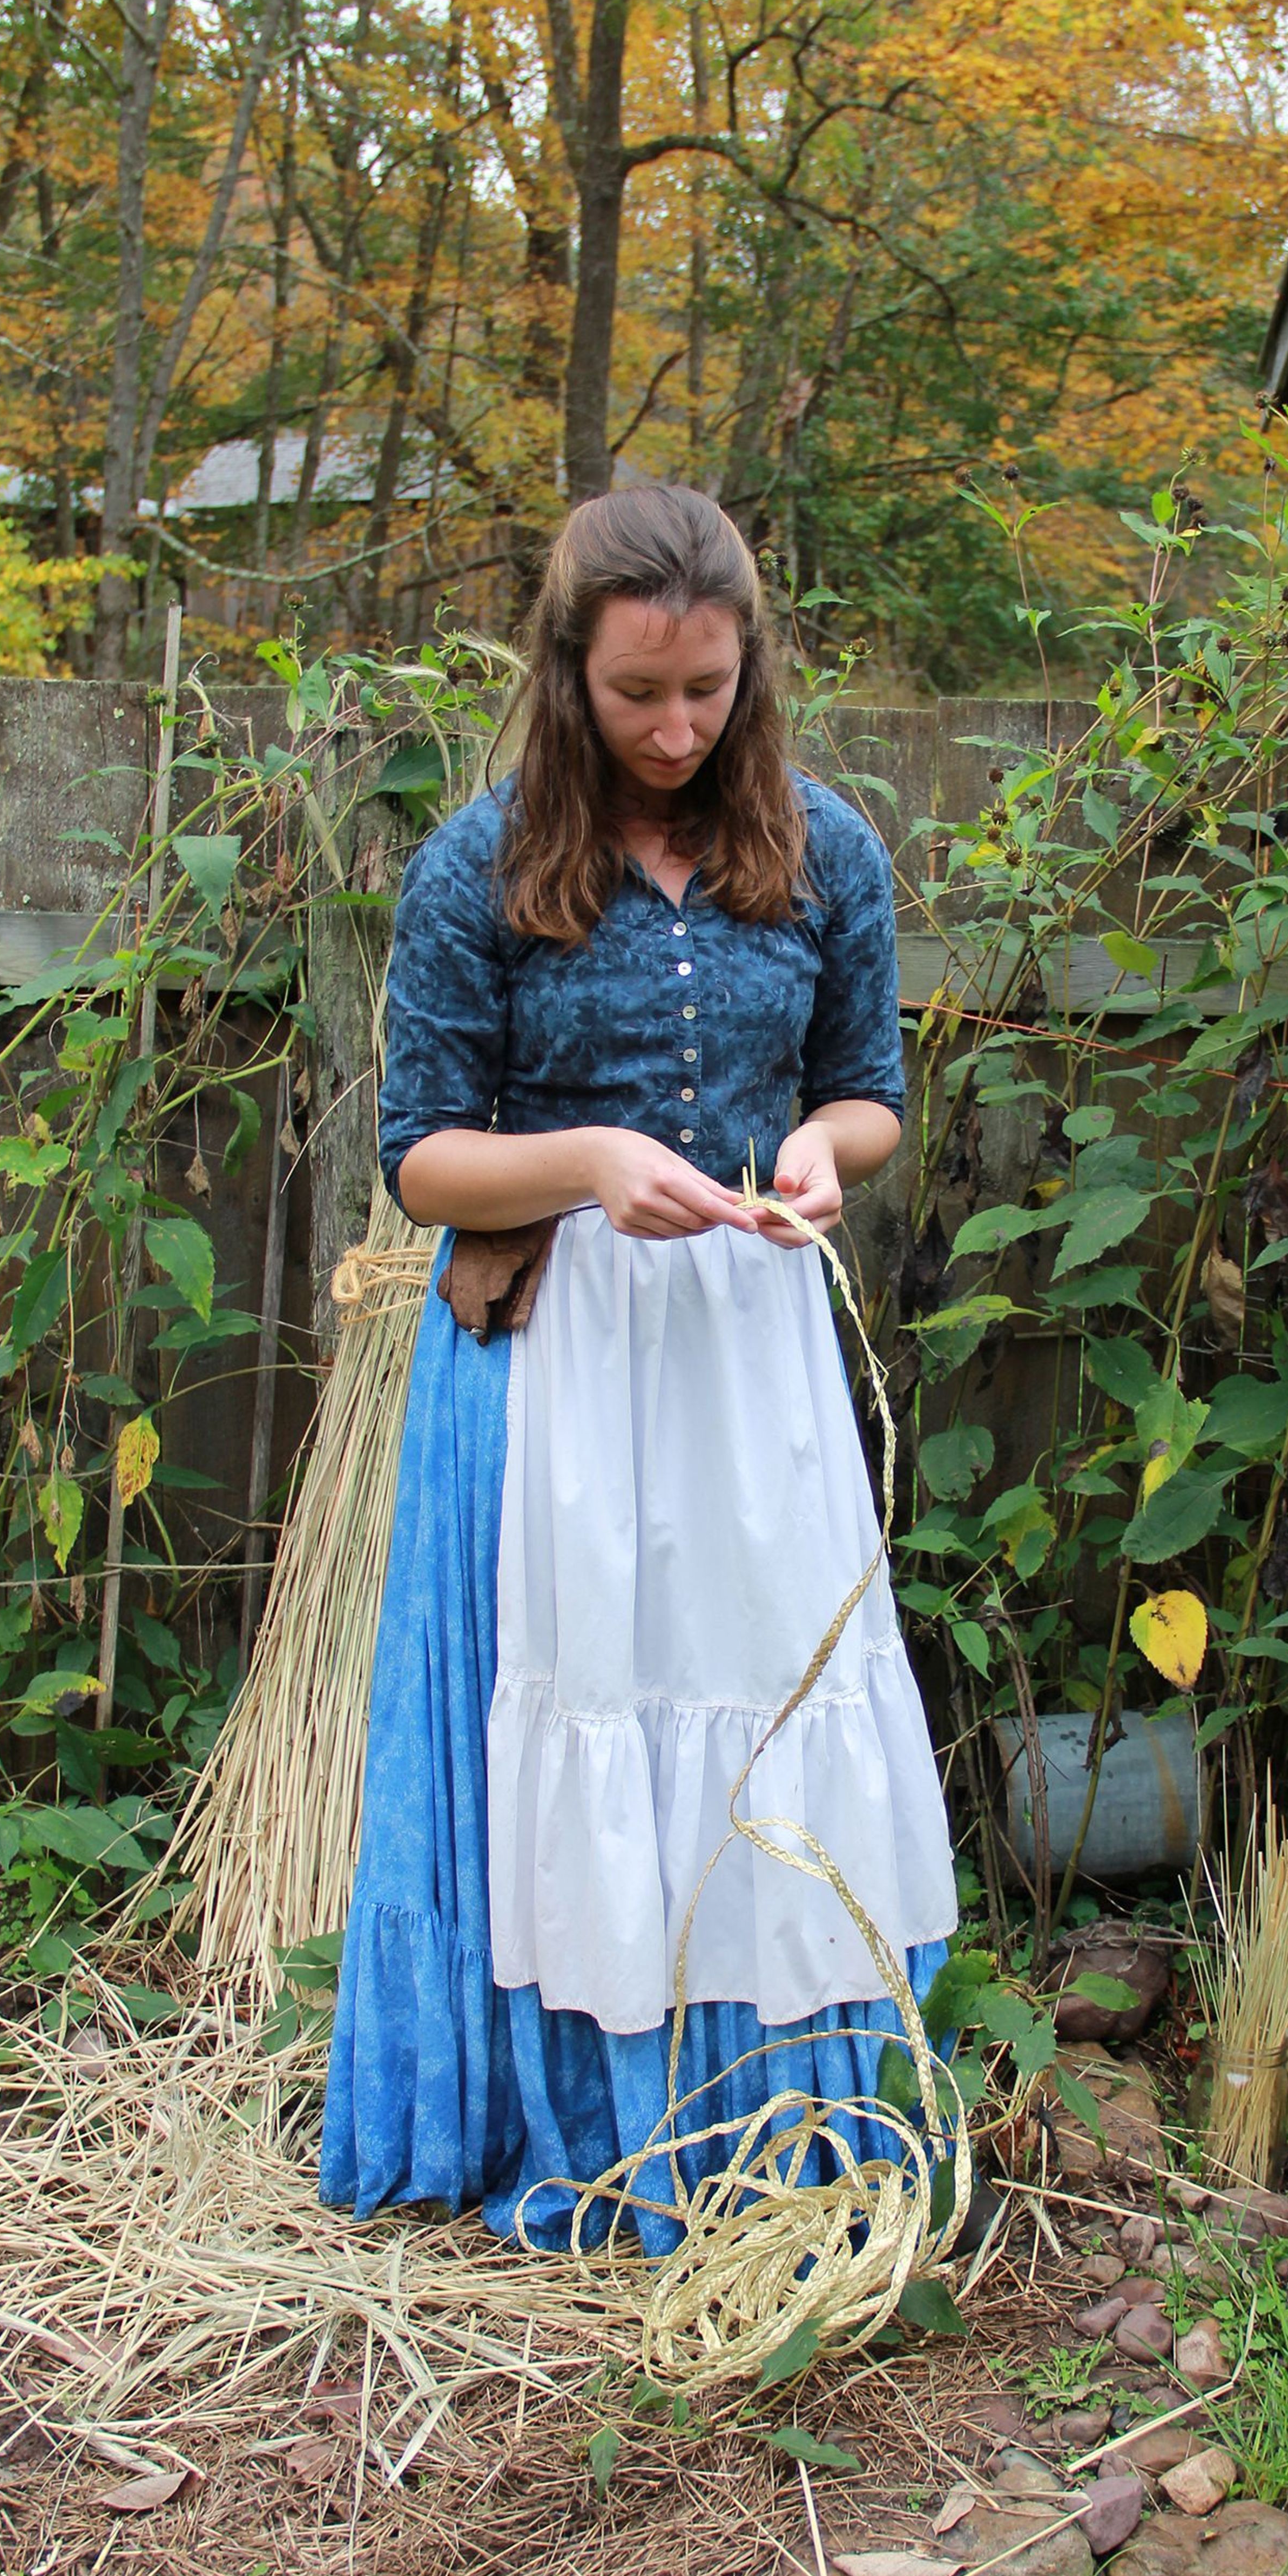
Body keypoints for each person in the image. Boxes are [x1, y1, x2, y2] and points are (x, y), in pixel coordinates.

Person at [318, 485, 957, 2254]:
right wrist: (594, 1162)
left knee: (759, 1719)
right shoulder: (482, 863)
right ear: (568, 673)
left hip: (751, 1363)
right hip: (553, 1379)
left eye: (710, 690)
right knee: (585, 1720)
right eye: (638, 695)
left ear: (752, 667)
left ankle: (768, 2133)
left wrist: (831, 1152)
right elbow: (423, 1160)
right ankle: (574, 2126)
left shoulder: (823, 847)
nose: (678, 730)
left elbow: (869, 1089)